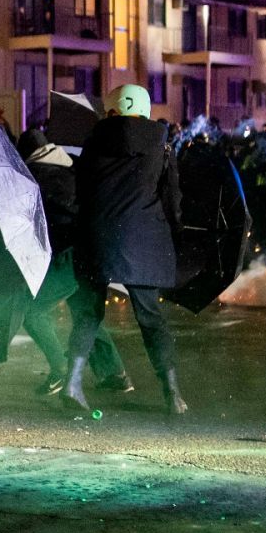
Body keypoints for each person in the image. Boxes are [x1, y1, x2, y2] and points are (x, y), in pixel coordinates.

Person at [61, 84, 187, 416]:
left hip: (97, 236)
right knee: (151, 319)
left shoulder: (92, 145)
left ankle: (73, 384)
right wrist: (173, 231)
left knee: (89, 313)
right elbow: (173, 201)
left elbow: (79, 193)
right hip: (144, 239)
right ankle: (172, 393)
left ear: (112, 108)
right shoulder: (162, 147)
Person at [17, 128, 132, 397]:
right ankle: (114, 373)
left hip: (69, 254)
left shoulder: (37, 178)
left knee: (31, 311)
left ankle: (58, 369)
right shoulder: (72, 164)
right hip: (92, 249)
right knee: (85, 313)